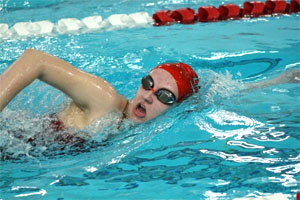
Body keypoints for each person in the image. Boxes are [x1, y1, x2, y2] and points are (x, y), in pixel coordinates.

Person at [0, 49, 299, 134]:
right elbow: (34, 60)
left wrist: (276, 82)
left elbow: (212, 97)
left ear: (177, 108)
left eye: (165, 97)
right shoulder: (104, 99)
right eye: (148, 83)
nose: (148, 96)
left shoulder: (131, 127)